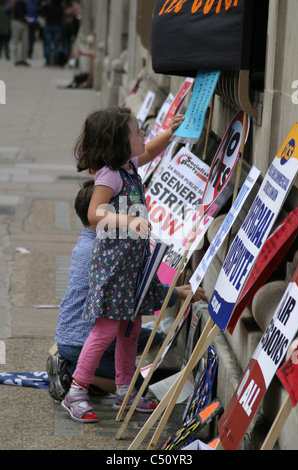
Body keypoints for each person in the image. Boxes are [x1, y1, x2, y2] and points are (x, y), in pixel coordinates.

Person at [61, 107, 207, 423]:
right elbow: (95, 213)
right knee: (107, 329)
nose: (143, 135)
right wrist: (126, 220)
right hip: (114, 266)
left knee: (130, 329)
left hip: (132, 265)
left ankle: (125, 392)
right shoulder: (110, 175)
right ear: (118, 141)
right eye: (137, 131)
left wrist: (171, 132)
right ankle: (76, 390)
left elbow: (153, 150)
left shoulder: (128, 166)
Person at [48, 179, 207, 404]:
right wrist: (176, 294)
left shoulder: (87, 242)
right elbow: (130, 293)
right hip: (82, 339)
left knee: (154, 339)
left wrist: (174, 290)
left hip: (80, 333)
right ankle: (72, 374)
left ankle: (90, 373)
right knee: (136, 387)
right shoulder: (102, 252)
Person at [40, 0, 64, 66]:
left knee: (48, 45)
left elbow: (41, 11)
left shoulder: (48, 6)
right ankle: (56, 62)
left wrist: (45, 17)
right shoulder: (60, 7)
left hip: (49, 25)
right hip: (57, 26)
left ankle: (48, 62)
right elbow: (62, 16)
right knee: (56, 46)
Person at [10, 0, 30, 66]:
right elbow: (7, 12)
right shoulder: (15, 3)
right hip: (16, 22)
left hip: (24, 23)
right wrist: (12, 7)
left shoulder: (25, 4)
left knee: (25, 42)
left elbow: (27, 13)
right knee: (15, 41)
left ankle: (23, 59)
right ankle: (16, 59)